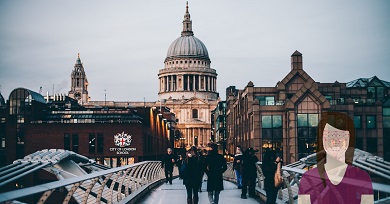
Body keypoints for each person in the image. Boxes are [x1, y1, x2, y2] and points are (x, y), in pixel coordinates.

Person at [298, 112, 373, 204]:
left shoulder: (363, 177)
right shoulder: (307, 178)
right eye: (331, 137)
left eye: (341, 137)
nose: (336, 141)